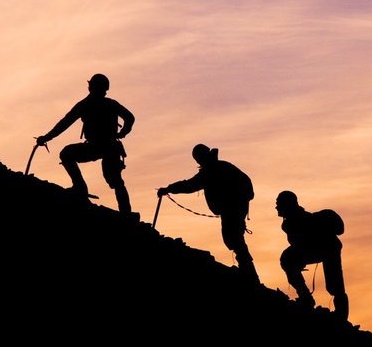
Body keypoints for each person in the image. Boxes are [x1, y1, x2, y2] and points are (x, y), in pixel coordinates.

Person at [157, 144, 259, 283]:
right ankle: (248, 271)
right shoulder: (222, 166)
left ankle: (249, 274)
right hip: (236, 208)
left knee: (233, 238)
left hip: (232, 209)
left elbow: (190, 185)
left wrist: (168, 189)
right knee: (234, 239)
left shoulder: (211, 171)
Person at [36, 74, 135, 214]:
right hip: (105, 147)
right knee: (115, 180)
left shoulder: (86, 105)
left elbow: (65, 122)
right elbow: (130, 118)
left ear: (91, 87)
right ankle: (124, 212)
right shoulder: (106, 104)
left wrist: (46, 137)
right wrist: (123, 133)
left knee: (114, 179)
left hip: (103, 147)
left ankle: (82, 189)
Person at [275, 191, 349, 320]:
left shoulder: (296, 221)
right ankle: (306, 298)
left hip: (329, 248)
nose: (276, 207)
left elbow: (301, 243)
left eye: (278, 204)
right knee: (287, 259)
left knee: (335, 284)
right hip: (325, 248)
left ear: (287, 205)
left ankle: (338, 314)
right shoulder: (289, 223)